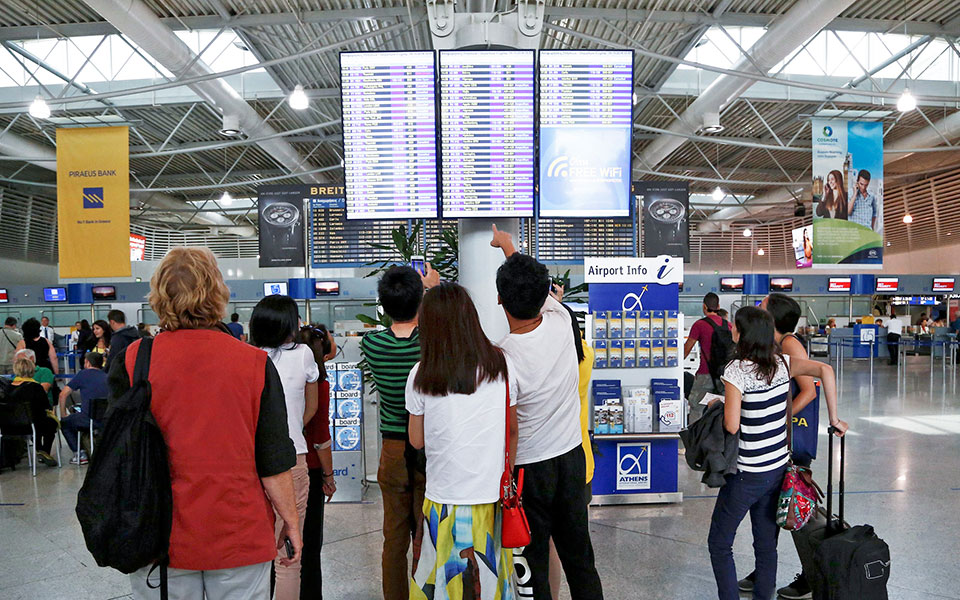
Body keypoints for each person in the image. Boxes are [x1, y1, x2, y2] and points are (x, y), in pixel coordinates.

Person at [107, 247, 301, 600]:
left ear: (158, 295)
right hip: (237, 531)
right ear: (218, 294)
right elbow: (272, 458)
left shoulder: (133, 360)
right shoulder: (253, 363)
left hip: (157, 534)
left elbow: (118, 450)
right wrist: (291, 520)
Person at [491, 224, 603, 600]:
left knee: (533, 568)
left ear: (498, 300)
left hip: (529, 472)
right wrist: (509, 246)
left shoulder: (503, 356)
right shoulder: (562, 321)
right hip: (571, 460)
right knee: (580, 560)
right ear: (545, 297)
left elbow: (509, 431)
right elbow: (532, 282)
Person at [709, 306, 848, 600]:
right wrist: (834, 419)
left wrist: (717, 406)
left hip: (746, 474)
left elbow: (732, 426)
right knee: (765, 546)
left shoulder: (736, 370)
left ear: (741, 334)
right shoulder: (782, 363)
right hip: (777, 471)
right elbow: (826, 370)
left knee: (720, 543)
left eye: (734, 326)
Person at [406, 282, 518, 598]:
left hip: (443, 499)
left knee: (441, 584)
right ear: (471, 319)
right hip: (490, 497)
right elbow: (512, 429)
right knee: (491, 581)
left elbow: (416, 440)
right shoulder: (502, 364)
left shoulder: (421, 373)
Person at [359, 263, 438, 600]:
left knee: (393, 537)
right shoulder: (429, 344)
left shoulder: (372, 345)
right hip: (428, 450)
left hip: (391, 452)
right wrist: (431, 290)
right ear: (418, 302)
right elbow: (437, 325)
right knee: (427, 534)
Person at [250, 294, 320, 600]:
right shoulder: (303, 354)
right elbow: (312, 407)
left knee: (254, 551)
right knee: (289, 556)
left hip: (252, 462)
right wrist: (290, 428)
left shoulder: (246, 356)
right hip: (292, 456)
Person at [548, 303, 596, 600]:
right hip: (582, 462)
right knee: (579, 548)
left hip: (551, 461)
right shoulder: (585, 354)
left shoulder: (552, 360)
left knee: (549, 546)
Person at [298, 323, 338, 600]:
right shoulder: (318, 384)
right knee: (311, 543)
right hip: (310, 469)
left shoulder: (282, 374)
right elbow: (321, 439)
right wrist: (329, 476)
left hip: (284, 465)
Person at [684, 293, 732, 422]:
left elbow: (687, 348)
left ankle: (696, 439)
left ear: (704, 306)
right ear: (718, 306)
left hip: (705, 374)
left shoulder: (699, 325)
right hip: (723, 375)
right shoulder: (728, 325)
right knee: (721, 408)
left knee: (696, 407)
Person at [57, 352, 108, 466]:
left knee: (65, 423)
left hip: (88, 419)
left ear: (88, 363)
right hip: (107, 420)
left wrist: (63, 414)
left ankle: (79, 454)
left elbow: (63, 395)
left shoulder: (83, 374)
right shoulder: (107, 376)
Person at [8, 352, 58, 466]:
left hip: (11, 426)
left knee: (35, 425)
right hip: (34, 423)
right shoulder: (36, 387)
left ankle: (39, 449)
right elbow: (46, 405)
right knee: (51, 424)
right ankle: (44, 451)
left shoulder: (8, 387)